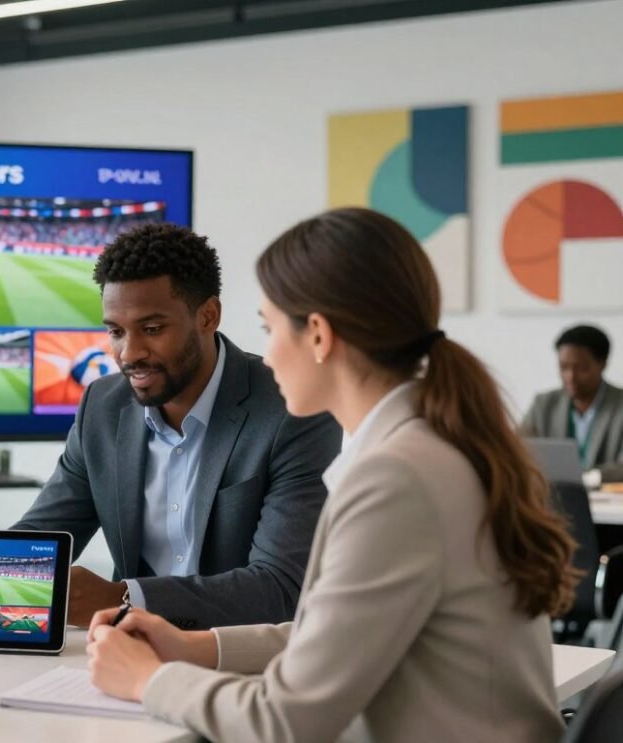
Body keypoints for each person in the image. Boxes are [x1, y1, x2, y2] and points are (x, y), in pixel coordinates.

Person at [87, 207, 575, 743]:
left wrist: (149, 680)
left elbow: (287, 720)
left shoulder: (396, 480)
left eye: (269, 328)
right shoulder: (429, 447)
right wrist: (201, 647)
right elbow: (343, 635)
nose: (265, 355)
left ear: (318, 335)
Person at [0, 223, 342, 629]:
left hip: (244, 662)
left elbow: (281, 589)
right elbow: (42, 537)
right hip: (129, 655)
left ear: (208, 315)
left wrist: (121, 599)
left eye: (152, 328)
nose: (128, 353)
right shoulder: (102, 406)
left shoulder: (293, 410)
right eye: (116, 331)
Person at [519, 324, 623, 484]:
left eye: (582, 369)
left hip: (609, 503)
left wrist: (588, 478)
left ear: (602, 364)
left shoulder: (619, 405)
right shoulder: (544, 405)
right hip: (552, 497)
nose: (570, 377)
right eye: (563, 367)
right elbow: (517, 449)